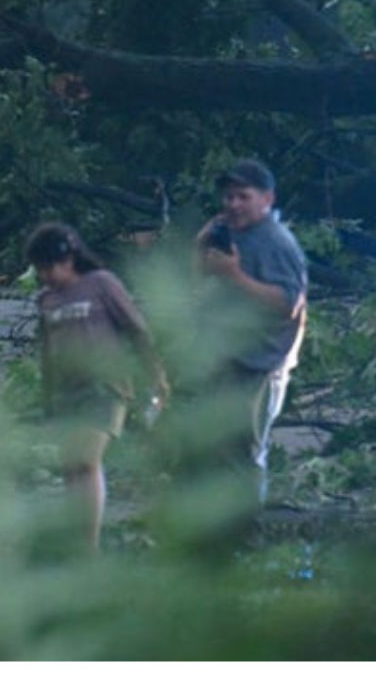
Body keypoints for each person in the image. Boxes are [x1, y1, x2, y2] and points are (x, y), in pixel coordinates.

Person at [27, 222, 170, 552]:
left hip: (105, 387)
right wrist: (47, 402)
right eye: (40, 269)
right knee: (69, 468)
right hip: (66, 392)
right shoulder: (46, 300)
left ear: (69, 259)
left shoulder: (101, 284)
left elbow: (138, 331)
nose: (46, 275)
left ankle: (88, 549)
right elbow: (48, 354)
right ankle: (76, 543)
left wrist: (157, 376)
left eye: (50, 267)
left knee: (86, 460)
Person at [193, 158, 308, 506]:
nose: (233, 205)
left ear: (267, 199)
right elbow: (198, 278)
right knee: (216, 449)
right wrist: (201, 244)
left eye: (243, 197)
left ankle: (248, 536)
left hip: (262, 363)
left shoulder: (277, 242)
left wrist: (235, 277)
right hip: (228, 356)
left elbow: (288, 303)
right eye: (228, 197)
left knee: (246, 454)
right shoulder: (232, 233)